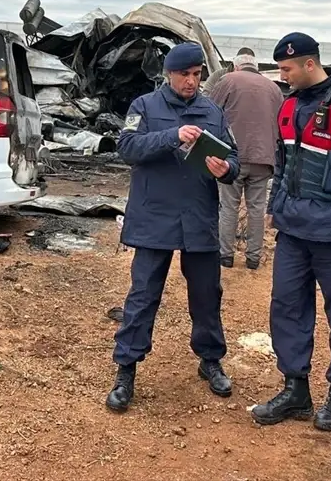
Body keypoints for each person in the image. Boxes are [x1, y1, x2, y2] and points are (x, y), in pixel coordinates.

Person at [250, 32, 331, 433]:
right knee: (287, 310)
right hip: (293, 232)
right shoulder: (288, 105)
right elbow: (283, 161)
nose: (282, 75)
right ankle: (296, 390)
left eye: (287, 68)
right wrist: (275, 209)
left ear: (310, 64)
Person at [106, 41, 240, 413]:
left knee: (206, 295)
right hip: (154, 218)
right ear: (169, 74)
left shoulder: (212, 111)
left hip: (198, 218)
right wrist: (172, 135)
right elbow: (127, 146)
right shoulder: (145, 107)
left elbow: (234, 158)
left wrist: (226, 170)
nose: (192, 82)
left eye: (197, 75)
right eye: (185, 75)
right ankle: (126, 370)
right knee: (143, 295)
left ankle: (210, 360)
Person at [209, 49, 284, 269]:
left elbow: (210, 111)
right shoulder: (274, 88)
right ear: (256, 67)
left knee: (229, 207)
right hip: (264, 158)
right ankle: (253, 258)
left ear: (236, 66)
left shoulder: (228, 80)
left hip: (233, 159)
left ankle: (225, 255)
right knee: (256, 209)